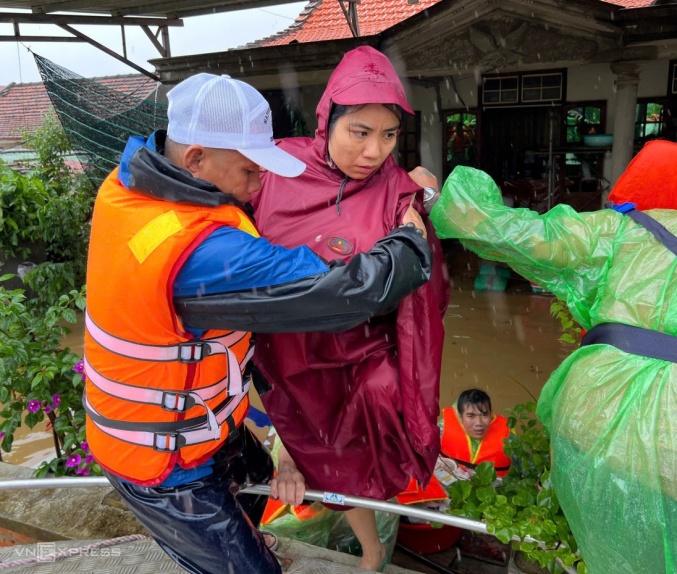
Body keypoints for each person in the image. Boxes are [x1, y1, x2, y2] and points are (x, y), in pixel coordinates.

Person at [83, 72, 435, 574]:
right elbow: (347, 292)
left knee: (258, 474)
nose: (259, 185)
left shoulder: (128, 186)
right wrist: (408, 242)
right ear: (196, 158)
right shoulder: (204, 253)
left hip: (189, 423)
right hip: (162, 462)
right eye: (250, 170)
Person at [428, 140, 677, 573]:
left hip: (597, 420)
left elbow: (521, 235)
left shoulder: (630, 227)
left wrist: (445, 199)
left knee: (618, 555)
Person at [246, 46, 450, 571]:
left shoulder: (396, 193)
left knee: (376, 417)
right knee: (309, 442)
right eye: (359, 131)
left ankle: (375, 542)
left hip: (358, 348)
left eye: (388, 136)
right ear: (328, 119)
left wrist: (422, 209)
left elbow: (421, 285)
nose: (374, 151)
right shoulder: (274, 169)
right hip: (288, 347)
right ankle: (318, 493)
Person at [439, 389, 511, 477]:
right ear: (460, 417)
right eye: (471, 416)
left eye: (484, 415)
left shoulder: (509, 437)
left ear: (491, 414)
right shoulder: (442, 428)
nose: (479, 423)